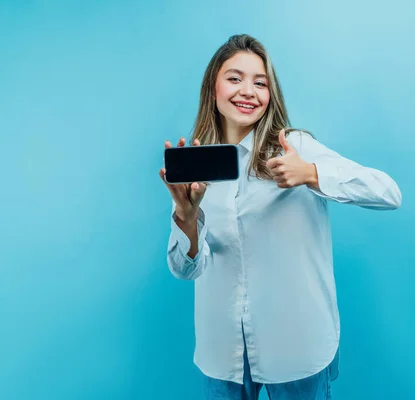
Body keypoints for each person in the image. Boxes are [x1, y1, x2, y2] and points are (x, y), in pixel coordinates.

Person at [159, 34, 402, 400]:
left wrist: (312, 175)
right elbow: (185, 270)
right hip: (221, 354)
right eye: (235, 78)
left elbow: (388, 193)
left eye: (261, 82)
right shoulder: (200, 164)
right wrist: (186, 219)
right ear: (213, 88)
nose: (248, 91)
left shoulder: (296, 149)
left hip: (296, 348)